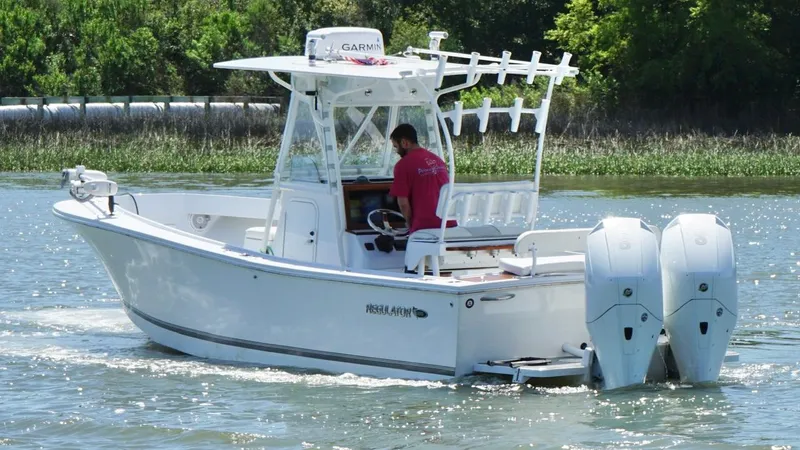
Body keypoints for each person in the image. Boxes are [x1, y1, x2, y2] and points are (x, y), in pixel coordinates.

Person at [388, 124, 457, 235]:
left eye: (396, 147)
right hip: (450, 225)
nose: (397, 151)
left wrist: (410, 226)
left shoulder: (402, 165)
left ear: (404, 143)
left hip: (425, 228)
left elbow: (403, 204)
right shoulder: (438, 160)